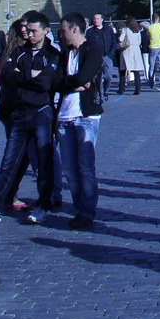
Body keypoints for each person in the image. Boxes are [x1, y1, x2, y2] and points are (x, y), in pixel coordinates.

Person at [0, 10, 60, 225]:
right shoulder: (19, 52)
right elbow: (6, 76)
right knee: (8, 161)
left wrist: (22, 76)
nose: (29, 35)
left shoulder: (53, 54)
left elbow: (46, 82)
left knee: (43, 161)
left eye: (33, 31)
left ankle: (44, 203)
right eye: (27, 31)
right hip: (19, 113)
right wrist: (29, 76)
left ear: (45, 31)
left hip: (41, 113)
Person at [54, 12, 105, 229]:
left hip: (86, 116)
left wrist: (71, 82)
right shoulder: (64, 53)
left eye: (64, 30)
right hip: (64, 115)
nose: (61, 35)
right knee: (69, 168)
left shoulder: (92, 48)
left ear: (75, 29)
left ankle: (87, 211)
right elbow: (55, 80)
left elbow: (85, 77)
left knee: (85, 167)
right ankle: (78, 206)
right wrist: (70, 84)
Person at [118, 19, 145, 95]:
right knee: (136, 71)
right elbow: (139, 41)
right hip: (136, 50)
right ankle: (138, 89)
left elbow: (120, 39)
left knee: (123, 70)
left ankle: (121, 88)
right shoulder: (137, 30)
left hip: (127, 49)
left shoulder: (125, 29)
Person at [145, 15, 160, 90]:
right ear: (158, 19)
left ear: (152, 19)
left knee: (151, 66)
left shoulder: (149, 27)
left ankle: (151, 81)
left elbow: (148, 37)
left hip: (152, 47)